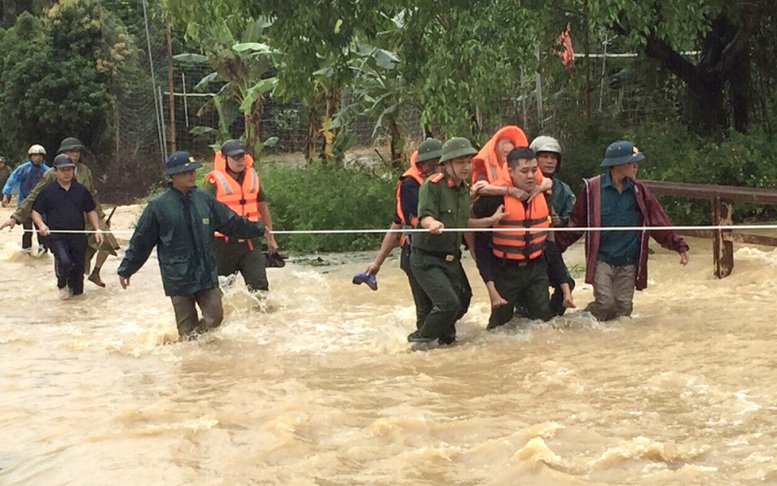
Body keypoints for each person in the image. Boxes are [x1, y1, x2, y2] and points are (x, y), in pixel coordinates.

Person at [117, 151, 267, 341]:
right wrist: (126, 269)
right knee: (187, 332)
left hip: (205, 272)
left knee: (216, 317)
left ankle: (199, 343)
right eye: (186, 172)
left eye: (193, 171)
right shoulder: (158, 207)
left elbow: (231, 222)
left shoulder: (204, 200)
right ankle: (190, 358)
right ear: (173, 176)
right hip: (178, 277)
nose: (192, 175)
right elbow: (141, 242)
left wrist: (258, 229)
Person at [556, 140, 690, 321]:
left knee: (624, 310)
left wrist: (678, 245)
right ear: (618, 165)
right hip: (601, 258)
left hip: (628, 259)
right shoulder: (592, 189)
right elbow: (576, 223)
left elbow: (657, 221)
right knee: (605, 304)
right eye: (632, 162)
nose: (636, 166)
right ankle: (581, 322)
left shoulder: (639, 190)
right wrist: (555, 247)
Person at [408, 137, 506, 345]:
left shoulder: (463, 190)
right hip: (426, 258)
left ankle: (443, 339)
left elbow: (464, 223)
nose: (467, 166)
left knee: (463, 300)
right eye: (461, 162)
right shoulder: (432, 185)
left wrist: (491, 220)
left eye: (469, 161)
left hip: (451, 258)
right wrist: (432, 224)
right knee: (448, 304)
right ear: (447, 164)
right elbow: (425, 216)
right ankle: (418, 341)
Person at [472, 147, 572, 330]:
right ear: (510, 172)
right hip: (505, 269)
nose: (530, 176)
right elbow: (480, 245)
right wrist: (491, 287)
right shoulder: (493, 199)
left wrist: (564, 284)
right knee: (498, 328)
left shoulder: (543, 195)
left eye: (534, 170)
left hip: (536, 268)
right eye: (524, 171)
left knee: (543, 323)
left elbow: (549, 243)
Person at [0, 137, 119, 286]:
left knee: (106, 243)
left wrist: (100, 219)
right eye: (71, 151)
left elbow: (92, 196)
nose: (75, 154)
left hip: (85, 219)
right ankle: (65, 284)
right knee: (68, 260)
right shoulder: (51, 173)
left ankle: (94, 273)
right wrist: (16, 217)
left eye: (77, 151)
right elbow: (34, 195)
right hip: (61, 221)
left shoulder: (84, 171)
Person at [362, 138, 442, 331]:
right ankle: (423, 344)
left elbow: (394, 226)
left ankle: (442, 338)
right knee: (426, 307)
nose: (435, 167)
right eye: (430, 163)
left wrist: (377, 263)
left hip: (440, 252)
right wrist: (378, 262)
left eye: (438, 162)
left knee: (453, 300)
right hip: (415, 252)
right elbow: (406, 223)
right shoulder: (409, 185)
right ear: (421, 163)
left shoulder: (445, 183)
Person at [202, 139, 278, 293]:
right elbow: (203, 213)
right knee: (220, 292)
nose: (240, 161)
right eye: (235, 158)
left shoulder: (253, 177)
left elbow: (262, 208)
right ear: (224, 159)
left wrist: (271, 237)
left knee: (261, 288)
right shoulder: (213, 182)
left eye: (242, 157)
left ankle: (262, 316)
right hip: (222, 246)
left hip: (250, 244)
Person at [30, 154, 103, 300]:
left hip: (78, 236)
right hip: (57, 236)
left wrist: (97, 229)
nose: (67, 173)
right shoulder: (48, 191)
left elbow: (90, 211)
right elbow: (36, 212)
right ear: (55, 171)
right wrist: (41, 225)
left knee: (78, 271)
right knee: (65, 261)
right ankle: (61, 285)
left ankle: (76, 302)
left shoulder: (81, 190)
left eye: (70, 169)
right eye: (63, 170)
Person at [529, 135, 577, 315]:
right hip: (526, 250)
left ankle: (552, 319)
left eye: (554, 157)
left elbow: (573, 218)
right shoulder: (521, 185)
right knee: (533, 293)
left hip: (550, 247)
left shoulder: (563, 189)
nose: (550, 161)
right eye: (545, 156)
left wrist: (561, 221)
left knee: (567, 283)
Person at [1, 144, 50, 255]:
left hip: (41, 205)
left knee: (41, 230)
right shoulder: (23, 169)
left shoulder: (48, 171)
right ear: (30, 156)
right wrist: (5, 195)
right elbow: (11, 181)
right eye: (35, 155)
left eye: (39, 155)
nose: (37, 158)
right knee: (27, 230)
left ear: (43, 157)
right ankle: (26, 253)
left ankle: (44, 252)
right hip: (25, 203)